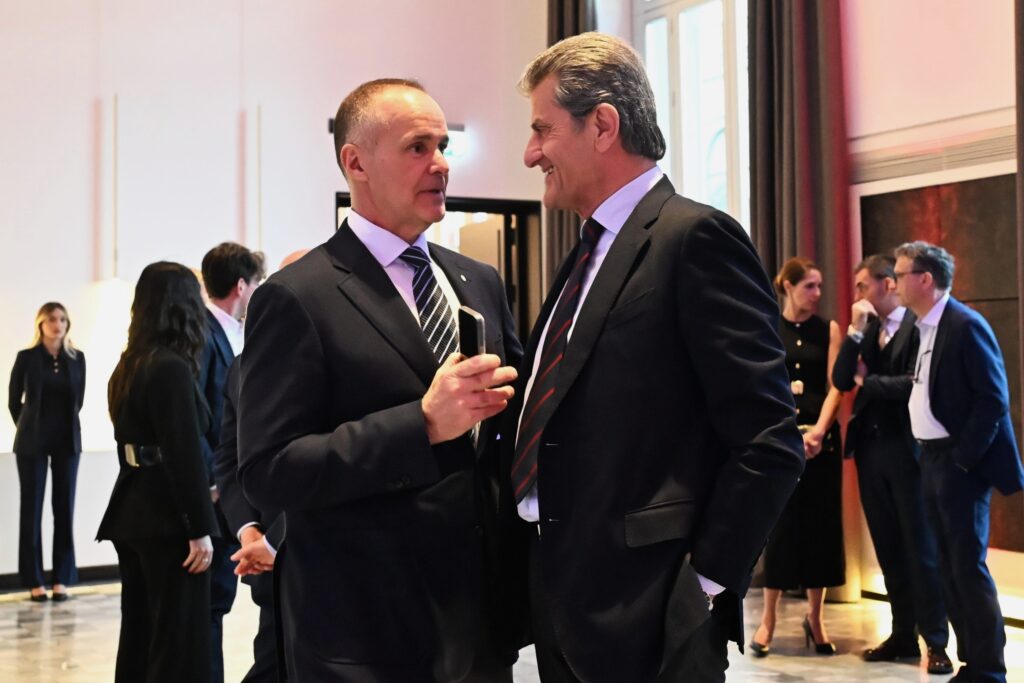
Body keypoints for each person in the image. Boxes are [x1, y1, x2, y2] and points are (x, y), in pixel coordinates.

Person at [507, 33, 804, 682]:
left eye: (542, 130)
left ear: (602, 125)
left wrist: (701, 586)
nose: (530, 153)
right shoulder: (585, 253)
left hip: (651, 614)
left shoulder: (695, 238)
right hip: (565, 603)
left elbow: (768, 440)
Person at [237, 79, 523, 682]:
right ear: (356, 162)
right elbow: (270, 468)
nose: (440, 164)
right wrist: (420, 425)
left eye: (443, 146)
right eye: (418, 147)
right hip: (365, 632)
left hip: (478, 626)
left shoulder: (479, 281)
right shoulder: (298, 296)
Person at [894, 241, 1024, 683]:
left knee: (968, 567)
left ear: (925, 279)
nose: (894, 283)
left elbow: (993, 401)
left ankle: (988, 669)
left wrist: (963, 462)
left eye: (900, 275)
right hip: (931, 460)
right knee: (947, 567)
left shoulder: (965, 325)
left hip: (958, 464)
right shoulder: (924, 326)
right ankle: (971, 660)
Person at [97, 262, 218, 683]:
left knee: (140, 633)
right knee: (177, 639)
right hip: (167, 519)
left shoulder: (128, 364)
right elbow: (182, 451)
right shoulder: (170, 367)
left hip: (133, 510)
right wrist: (199, 527)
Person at [831, 254, 951, 674]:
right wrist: (853, 332)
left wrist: (869, 381)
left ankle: (936, 641)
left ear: (886, 284)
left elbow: (914, 385)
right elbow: (840, 379)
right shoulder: (867, 330)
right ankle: (902, 635)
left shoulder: (918, 327)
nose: (859, 294)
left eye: (863, 286)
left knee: (921, 548)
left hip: (907, 450)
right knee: (888, 547)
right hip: (870, 451)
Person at [215, 249, 306, 683]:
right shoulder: (241, 367)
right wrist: (249, 530)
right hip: (269, 569)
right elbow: (230, 459)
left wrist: (275, 540)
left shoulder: (344, 363)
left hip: (325, 559)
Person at [751, 258, 844, 657]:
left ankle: (816, 618)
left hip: (821, 442)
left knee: (820, 529)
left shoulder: (829, 329)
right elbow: (760, 384)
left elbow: (837, 385)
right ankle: (768, 620)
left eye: (819, 286)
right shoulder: (768, 326)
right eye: (809, 286)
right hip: (781, 441)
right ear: (788, 286)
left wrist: (819, 430)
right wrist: (788, 429)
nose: (817, 294)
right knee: (780, 529)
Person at [199, 241, 266, 683]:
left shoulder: (230, 335)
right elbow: (201, 418)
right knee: (213, 604)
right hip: (217, 491)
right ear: (242, 286)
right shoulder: (206, 335)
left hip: (229, 492)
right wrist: (214, 484)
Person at [8, 302, 85, 602]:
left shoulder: (77, 358)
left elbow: (78, 400)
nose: (58, 324)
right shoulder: (26, 358)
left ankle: (62, 578)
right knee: (32, 511)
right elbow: (14, 401)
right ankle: (34, 580)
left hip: (67, 441)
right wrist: (29, 427)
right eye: (52, 319)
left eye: (63, 319)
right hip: (32, 443)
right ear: (41, 323)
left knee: (64, 509)